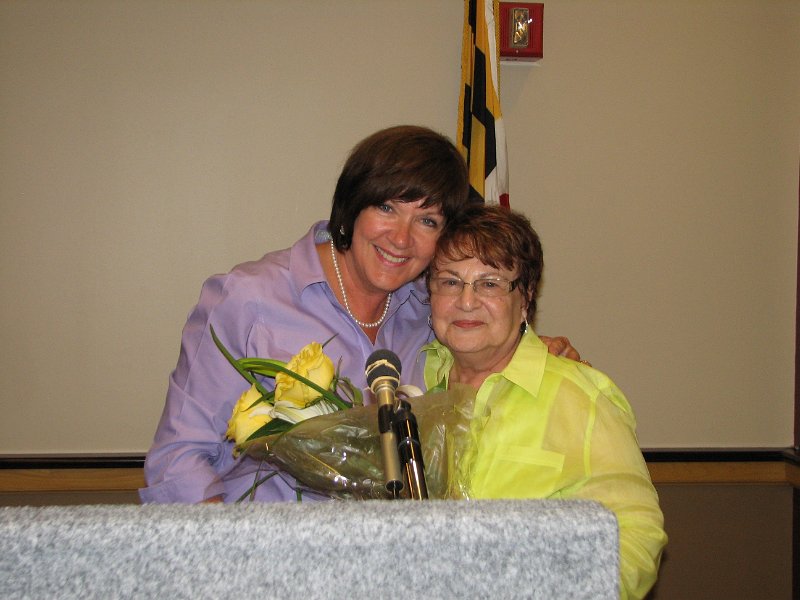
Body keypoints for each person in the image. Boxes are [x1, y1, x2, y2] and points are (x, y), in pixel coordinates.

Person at [140, 125, 581, 504]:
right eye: (387, 208)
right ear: (353, 204)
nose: (401, 238)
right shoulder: (249, 300)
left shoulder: (428, 313)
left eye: (427, 221)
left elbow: (484, 344)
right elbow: (178, 461)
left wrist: (530, 349)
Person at [421, 203, 667, 600]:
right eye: (449, 282)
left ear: (526, 297)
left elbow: (634, 534)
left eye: (490, 283)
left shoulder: (578, 396)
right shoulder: (412, 383)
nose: (466, 301)